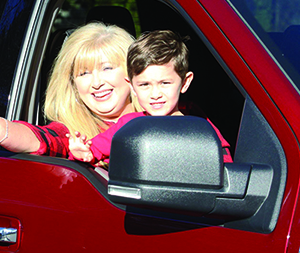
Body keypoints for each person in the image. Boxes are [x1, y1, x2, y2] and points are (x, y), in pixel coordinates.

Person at [0, 22, 137, 157]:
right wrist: (0, 129)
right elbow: (44, 139)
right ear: (73, 85)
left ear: (133, 71)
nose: (96, 83)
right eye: (83, 73)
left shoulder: (162, 114)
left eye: (107, 68)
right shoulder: (74, 134)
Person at [68, 30, 233, 165]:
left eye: (165, 83)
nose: (155, 94)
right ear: (132, 86)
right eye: (144, 85)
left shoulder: (197, 121)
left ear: (185, 83)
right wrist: (81, 153)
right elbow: (95, 149)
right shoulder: (130, 125)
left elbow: (223, 161)